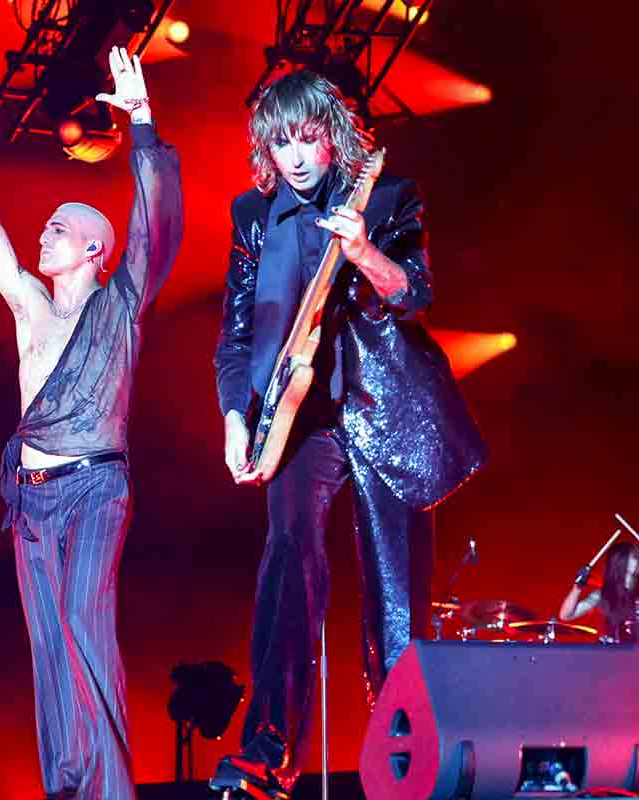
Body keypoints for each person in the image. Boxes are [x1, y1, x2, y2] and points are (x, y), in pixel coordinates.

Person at [211, 70, 486, 799]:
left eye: (309, 139)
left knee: (396, 594)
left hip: (384, 409)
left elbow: (415, 293)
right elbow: (235, 334)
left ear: (332, 134)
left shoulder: (387, 196)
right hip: (298, 419)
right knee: (287, 561)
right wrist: (236, 416)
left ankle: (408, 757)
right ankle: (270, 751)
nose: (297, 157)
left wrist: (364, 252)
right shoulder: (252, 215)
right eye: (282, 144)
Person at [0, 47, 183, 800]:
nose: (42, 235)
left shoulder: (120, 305)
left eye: (58, 228)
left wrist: (142, 122)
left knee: (83, 618)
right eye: (44, 227)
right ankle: (70, 788)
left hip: (95, 488)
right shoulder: (30, 309)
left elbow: (154, 226)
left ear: (94, 248)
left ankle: (111, 791)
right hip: (33, 500)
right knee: (49, 645)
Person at [560, 540, 639, 643]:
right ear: (621, 561)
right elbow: (566, 615)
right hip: (611, 650)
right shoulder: (602, 596)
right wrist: (578, 585)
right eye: (635, 556)